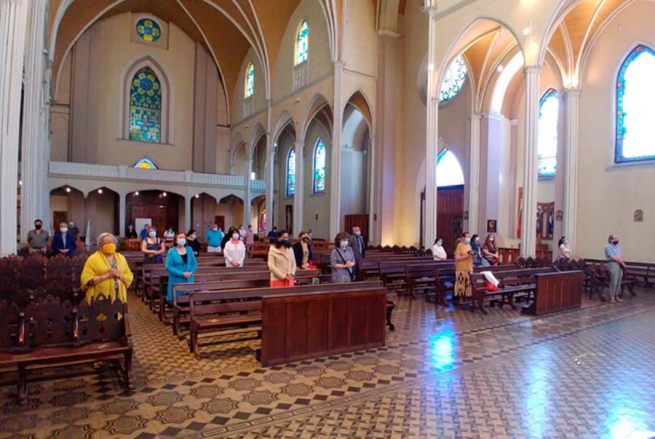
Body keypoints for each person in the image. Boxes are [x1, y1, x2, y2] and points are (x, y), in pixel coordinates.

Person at [80, 233, 133, 303]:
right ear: (100, 245)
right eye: (107, 242)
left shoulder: (121, 258)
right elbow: (86, 280)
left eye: (112, 242)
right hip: (98, 299)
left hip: (119, 298)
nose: (110, 244)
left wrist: (119, 275)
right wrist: (105, 276)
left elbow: (129, 276)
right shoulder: (92, 259)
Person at [165, 232, 198, 303]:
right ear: (175, 239)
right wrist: (181, 274)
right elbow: (168, 266)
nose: (182, 239)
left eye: (183, 237)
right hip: (177, 279)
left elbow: (194, 263)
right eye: (180, 237)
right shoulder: (172, 251)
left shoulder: (189, 249)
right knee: (178, 301)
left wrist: (190, 272)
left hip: (189, 278)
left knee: (189, 301)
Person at [454, 232, 475, 302]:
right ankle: (460, 298)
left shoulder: (469, 246)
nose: (468, 238)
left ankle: (467, 297)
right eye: (467, 237)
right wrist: (467, 256)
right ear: (463, 238)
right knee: (461, 283)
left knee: (468, 283)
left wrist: (473, 256)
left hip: (469, 267)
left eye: (469, 237)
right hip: (461, 267)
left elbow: (470, 256)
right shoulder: (459, 246)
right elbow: (457, 258)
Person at [605, 234, 625, 303]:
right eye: (615, 238)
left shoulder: (618, 247)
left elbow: (621, 255)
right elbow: (612, 256)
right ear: (611, 240)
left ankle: (616, 296)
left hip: (619, 265)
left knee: (619, 281)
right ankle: (611, 297)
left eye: (617, 238)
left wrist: (622, 261)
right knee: (614, 280)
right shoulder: (608, 247)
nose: (617, 240)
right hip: (613, 264)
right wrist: (620, 261)